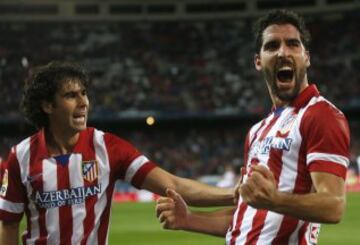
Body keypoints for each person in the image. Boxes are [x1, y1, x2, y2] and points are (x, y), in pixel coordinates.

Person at [156, 9, 350, 244]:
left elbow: (334, 205)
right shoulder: (257, 131)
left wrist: (275, 200)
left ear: (306, 57)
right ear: (258, 61)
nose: (282, 52)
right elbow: (248, 214)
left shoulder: (321, 115)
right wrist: (189, 219)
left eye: (292, 44)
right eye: (272, 46)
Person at [0, 61, 235, 245]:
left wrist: (235, 194)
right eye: (71, 96)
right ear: (48, 106)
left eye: (84, 93)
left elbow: (173, 185)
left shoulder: (108, 148)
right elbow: (9, 225)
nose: (84, 102)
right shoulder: (20, 157)